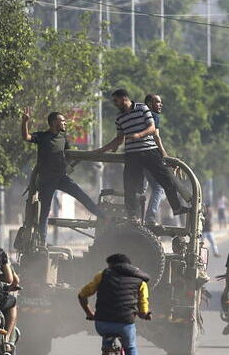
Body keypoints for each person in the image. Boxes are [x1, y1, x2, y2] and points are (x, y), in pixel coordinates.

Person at [96, 89, 189, 222]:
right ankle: (133, 216)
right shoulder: (119, 117)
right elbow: (119, 139)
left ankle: (177, 207)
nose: (114, 104)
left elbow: (151, 128)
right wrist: (103, 149)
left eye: (116, 101)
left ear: (124, 99)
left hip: (150, 151)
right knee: (130, 186)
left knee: (166, 180)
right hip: (132, 155)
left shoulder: (142, 108)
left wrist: (138, 135)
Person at [22, 108, 104, 242]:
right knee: (44, 212)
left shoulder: (63, 138)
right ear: (54, 122)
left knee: (82, 196)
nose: (65, 123)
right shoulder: (42, 137)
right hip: (47, 179)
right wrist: (24, 122)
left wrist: (71, 165)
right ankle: (42, 241)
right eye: (63, 121)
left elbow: (70, 154)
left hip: (61, 177)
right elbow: (26, 137)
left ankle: (103, 217)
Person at [78, 254, 151, 355]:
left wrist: (89, 314)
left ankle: (106, 349)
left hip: (102, 325)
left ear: (112, 265)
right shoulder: (141, 282)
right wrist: (144, 315)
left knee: (106, 338)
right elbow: (143, 308)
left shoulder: (102, 275)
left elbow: (82, 295)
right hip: (125, 325)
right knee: (130, 347)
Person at [141, 94, 168, 225]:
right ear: (150, 104)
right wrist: (164, 153)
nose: (160, 104)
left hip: (136, 155)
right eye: (157, 102)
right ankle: (150, 217)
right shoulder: (154, 116)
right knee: (158, 188)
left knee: (141, 190)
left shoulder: (138, 115)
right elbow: (156, 137)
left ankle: (135, 217)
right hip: (149, 156)